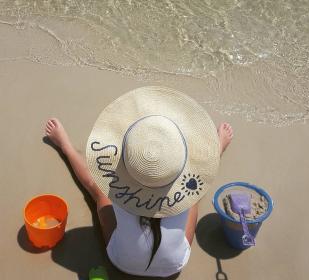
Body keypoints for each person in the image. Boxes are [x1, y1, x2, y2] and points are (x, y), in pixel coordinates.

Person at [45, 87, 233, 278]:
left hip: (123, 263)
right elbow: (203, 172)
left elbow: (97, 186)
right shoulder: (185, 189)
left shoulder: (119, 195)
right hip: (173, 267)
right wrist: (215, 149)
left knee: (98, 191)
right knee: (194, 194)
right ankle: (218, 148)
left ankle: (65, 146)